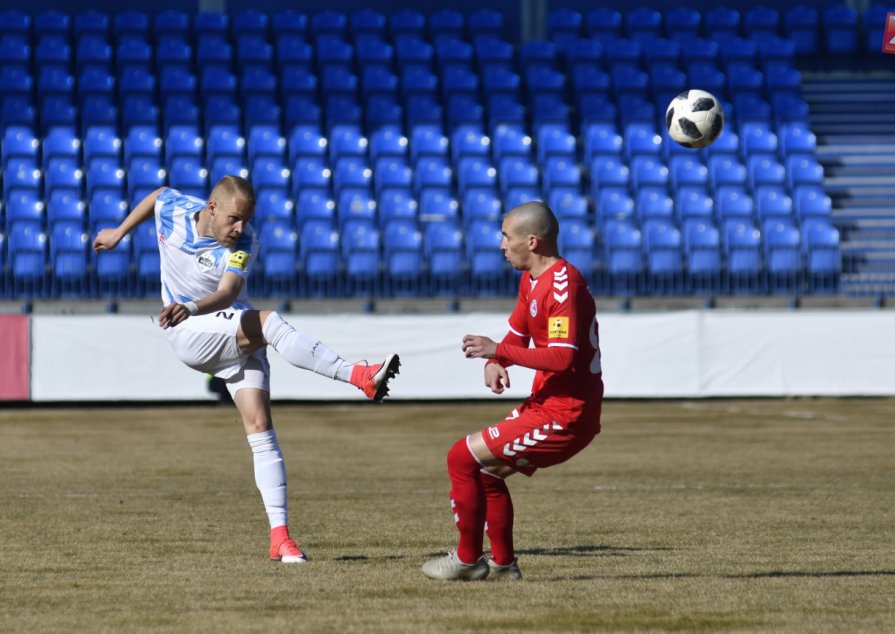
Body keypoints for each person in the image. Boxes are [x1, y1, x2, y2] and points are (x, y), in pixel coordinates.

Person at [93, 176, 400, 564]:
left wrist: (191, 304)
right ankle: (357, 376)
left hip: (223, 322)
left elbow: (228, 293)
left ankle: (280, 539)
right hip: (188, 332)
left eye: (247, 220)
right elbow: (157, 196)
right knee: (270, 322)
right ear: (211, 208)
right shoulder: (175, 208)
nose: (240, 228)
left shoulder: (244, 243)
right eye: (234, 219)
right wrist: (120, 232)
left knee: (261, 431)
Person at [421, 201, 603, 581]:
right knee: (486, 473)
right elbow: (518, 333)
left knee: (460, 457)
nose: (502, 245)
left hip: (566, 414)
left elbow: (561, 358)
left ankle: (468, 560)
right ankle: (503, 567)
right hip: (546, 405)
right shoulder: (531, 280)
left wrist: (497, 350)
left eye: (507, 237)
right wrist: (497, 361)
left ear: (532, 241)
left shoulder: (564, 286)